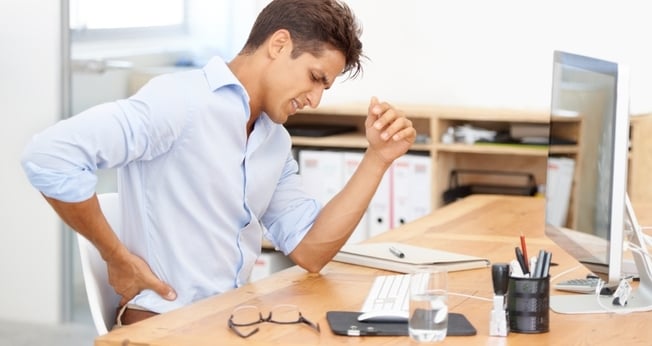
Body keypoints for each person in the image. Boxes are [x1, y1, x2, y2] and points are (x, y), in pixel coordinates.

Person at [21, 0, 416, 326]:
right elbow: (50, 155)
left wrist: (378, 158)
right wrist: (115, 256)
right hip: (167, 322)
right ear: (278, 45)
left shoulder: (273, 141)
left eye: (323, 86)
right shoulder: (179, 102)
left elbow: (310, 251)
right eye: (315, 78)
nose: (314, 99)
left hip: (233, 320)